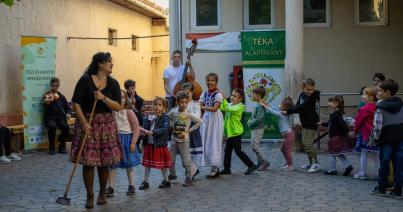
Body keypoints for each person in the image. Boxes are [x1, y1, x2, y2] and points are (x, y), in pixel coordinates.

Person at [69, 52, 123, 209]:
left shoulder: (113, 84)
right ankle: (90, 195)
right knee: (88, 162)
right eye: (109, 62)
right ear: (100, 64)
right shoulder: (85, 80)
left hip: (106, 125)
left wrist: (103, 98)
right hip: (88, 124)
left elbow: (118, 107)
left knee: (104, 162)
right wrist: (83, 121)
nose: (112, 65)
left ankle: (101, 193)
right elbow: (76, 102)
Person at [369, 79, 403, 198]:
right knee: (399, 165)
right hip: (400, 140)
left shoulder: (380, 107)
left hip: (385, 140)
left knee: (384, 164)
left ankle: (381, 189)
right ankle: (397, 191)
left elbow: (377, 127)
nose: (377, 94)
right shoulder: (401, 105)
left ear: (387, 92)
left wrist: (375, 140)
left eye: (379, 91)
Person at [107, 90, 141, 197]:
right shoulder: (112, 111)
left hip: (127, 139)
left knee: (129, 164)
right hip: (115, 140)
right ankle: (110, 187)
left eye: (122, 97)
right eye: (117, 97)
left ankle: (131, 185)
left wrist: (133, 142)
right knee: (113, 165)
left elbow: (136, 127)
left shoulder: (129, 112)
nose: (119, 99)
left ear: (125, 99)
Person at [169, 82, 203, 181]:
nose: (186, 95)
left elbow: (198, 117)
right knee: (186, 154)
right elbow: (172, 115)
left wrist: (188, 114)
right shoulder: (180, 105)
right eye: (184, 92)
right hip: (179, 133)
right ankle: (193, 170)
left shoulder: (195, 104)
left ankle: (191, 173)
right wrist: (173, 124)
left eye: (188, 92)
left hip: (191, 130)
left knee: (188, 154)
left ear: (192, 92)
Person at [285, 78, 321, 173]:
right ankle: (311, 162)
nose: (310, 91)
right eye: (308, 89)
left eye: (312, 89)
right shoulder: (302, 95)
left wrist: (288, 111)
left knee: (307, 144)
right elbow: (297, 105)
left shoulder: (312, 98)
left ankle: (316, 163)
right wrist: (290, 110)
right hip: (305, 122)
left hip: (311, 123)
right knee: (305, 143)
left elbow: (302, 107)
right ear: (303, 88)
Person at [220, 88, 258, 175]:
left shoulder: (240, 107)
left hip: (236, 133)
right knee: (227, 150)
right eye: (232, 95)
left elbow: (227, 108)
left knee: (238, 151)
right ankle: (226, 169)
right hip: (230, 133)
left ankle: (251, 165)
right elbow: (223, 107)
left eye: (235, 96)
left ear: (240, 99)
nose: (232, 97)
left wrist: (224, 99)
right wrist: (221, 100)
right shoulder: (230, 104)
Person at [139, 97, 172, 190]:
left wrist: (154, 132)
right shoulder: (149, 117)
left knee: (162, 164)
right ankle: (146, 181)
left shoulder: (165, 117)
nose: (157, 107)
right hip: (149, 144)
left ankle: (166, 180)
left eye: (159, 105)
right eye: (155, 105)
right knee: (147, 164)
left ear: (164, 107)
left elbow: (165, 129)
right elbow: (145, 128)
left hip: (159, 145)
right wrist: (142, 141)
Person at [319, 95, 354, 176]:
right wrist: (321, 123)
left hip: (335, 137)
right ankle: (348, 166)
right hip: (336, 136)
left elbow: (342, 124)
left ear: (336, 103)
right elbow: (329, 123)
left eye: (330, 102)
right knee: (337, 153)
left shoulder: (336, 114)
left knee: (332, 154)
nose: (328, 104)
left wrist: (348, 133)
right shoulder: (336, 113)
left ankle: (333, 170)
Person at [198, 73, 224, 179]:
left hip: (215, 120)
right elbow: (198, 104)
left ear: (216, 82)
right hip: (206, 119)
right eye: (208, 80)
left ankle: (215, 168)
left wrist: (202, 106)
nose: (210, 82)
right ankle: (209, 166)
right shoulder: (204, 94)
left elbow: (214, 108)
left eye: (212, 80)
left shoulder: (218, 94)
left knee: (214, 141)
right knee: (205, 141)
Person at [261, 97, 295, 171]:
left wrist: (265, 106)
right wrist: (267, 104)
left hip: (289, 135)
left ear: (285, 107)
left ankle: (290, 165)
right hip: (287, 135)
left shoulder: (281, 114)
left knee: (287, 150)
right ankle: (288, 163)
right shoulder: (282, 112)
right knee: (282, 149)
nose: (279, 105)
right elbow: (274, 108)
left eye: (281, 104)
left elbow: (273, 111)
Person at [353, 87, 378, 180]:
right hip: (375, 134)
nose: (362, 96)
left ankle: (362, 173)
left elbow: (358, 122)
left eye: (364, 94)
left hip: (366, 135)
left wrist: (355, 131)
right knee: (375, 154)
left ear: (371, 97)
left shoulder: (363, 109)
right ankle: (378, 173)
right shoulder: (377, 106)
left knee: (363, 153)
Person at [42, 77, 71, 155]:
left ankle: (62, 146)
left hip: (60, 118)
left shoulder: (61, 96)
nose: (54, 87)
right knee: (52, 127)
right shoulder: (47, 94)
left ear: (59, 86)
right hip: (50, 118)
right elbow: (45, 103)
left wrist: (68, 113)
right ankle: (51, 148)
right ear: (50, 85)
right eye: (53, 85)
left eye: (56, 86)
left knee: (65, 127)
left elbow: (67, 107)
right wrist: (48, 100)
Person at [247, 86, 270, 171]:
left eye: (253, 94)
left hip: (258, 128)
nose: (251, 96)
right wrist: (250, 121)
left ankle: (264, 162)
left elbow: (259, 118)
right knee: (254, 145)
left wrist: (251, 124)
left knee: (255, 146)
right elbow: (254, 117)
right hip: (255, 128)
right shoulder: (258, 104)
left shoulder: (260, 105)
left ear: (259, 95)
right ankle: (260, 162)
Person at [124, 79, 144, 152]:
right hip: (126, 117)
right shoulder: (124, 96)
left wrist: (133, 104)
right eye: (128, 89)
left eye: (132, 88)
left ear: (135, 87)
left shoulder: (139, 99)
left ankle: (137, 143)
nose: (131, 90)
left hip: (136, 117)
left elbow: (137, 111)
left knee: (139, 119)